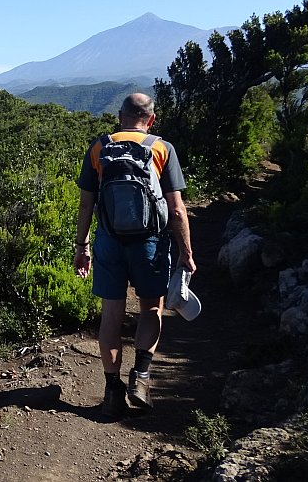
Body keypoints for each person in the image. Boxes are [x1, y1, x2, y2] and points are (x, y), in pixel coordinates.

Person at [72, 93, 195, 418]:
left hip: (109, 242)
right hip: (150, 243)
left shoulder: (99, 147)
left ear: (119, 117)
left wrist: (82, 246)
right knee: (150, 308)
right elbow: (177, 209)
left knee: (111, 315)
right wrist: (186, 252)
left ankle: (112, 392)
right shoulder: (161, 148)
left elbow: (87, 204)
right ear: (151, 119)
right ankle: (140, 377)